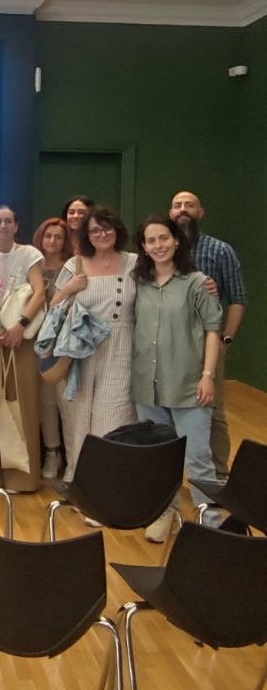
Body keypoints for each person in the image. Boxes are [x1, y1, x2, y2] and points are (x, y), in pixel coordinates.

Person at [133, 214, 224, 542]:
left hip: (188, 384)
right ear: (143, 247)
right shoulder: (138, 283)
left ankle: (208, 524)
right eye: (151, 240)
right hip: (147, 385)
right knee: (159, 458)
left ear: (175, 241)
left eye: (163, 238)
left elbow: (212, 330)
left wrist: (208, 376)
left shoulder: (198, 283)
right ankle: (166, 513)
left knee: (197, 458)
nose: (158, 245)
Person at [53, 205, 137, 480]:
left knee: (113, 417)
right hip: (80, 351)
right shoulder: (74, 265)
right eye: (95, 230)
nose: (102, 234)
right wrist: (69, 288)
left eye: (107, 228)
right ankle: (79, 481)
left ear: (117, 230)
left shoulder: (134, 263)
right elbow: (53, 308)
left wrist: (205, 284)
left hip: (121, 349)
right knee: (78, 420)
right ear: (86, 235)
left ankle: (107, 482)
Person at [169, 190, 248, 479]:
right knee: (166, 409)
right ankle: (171, 474)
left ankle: (218, 476)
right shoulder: (159, 250)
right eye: (177, 205)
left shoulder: (220, 250)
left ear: (200, 213)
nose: (183, 209)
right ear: (170, 213)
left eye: (189, 205)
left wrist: (226, 340)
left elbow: (238, 299)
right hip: (166, 344)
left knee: (212, 410)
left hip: (208, 344)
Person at [0, 205, 46, 484]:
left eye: (8, 221)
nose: (2, 226)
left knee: (23, 404)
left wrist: (20, 325)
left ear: (16, 226)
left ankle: (22, 479)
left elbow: (39, 293)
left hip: (21, 340)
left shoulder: (29, 254)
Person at [32, 217, 70, 478]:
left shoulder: (72, 268)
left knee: (65, 401)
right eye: (48, 236)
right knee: (45, 402)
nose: (53, 241)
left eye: (58, 237)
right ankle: (51, 453)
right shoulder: (32, 265)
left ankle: (73, 457)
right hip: (35, 343)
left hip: (63, 344)